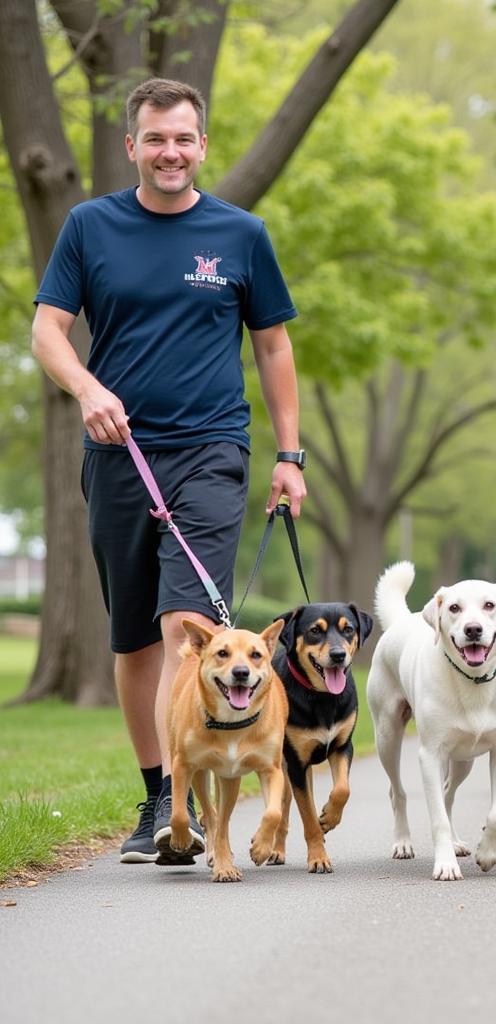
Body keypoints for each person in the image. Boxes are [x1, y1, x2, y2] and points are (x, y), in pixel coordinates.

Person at [31, 78, 306, 866]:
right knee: (133, 639)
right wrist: (86, 389)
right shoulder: (89, 227)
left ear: (202, 145)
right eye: (156, 139)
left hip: (213, 451)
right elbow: (48, 331)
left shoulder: (241, 233)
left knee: (184, 626)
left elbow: (275, 346)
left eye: (183, 138)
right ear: (132, 147)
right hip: (117, 456)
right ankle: (156, 790)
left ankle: (178, 807)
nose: (170, 152)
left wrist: (289, 456)